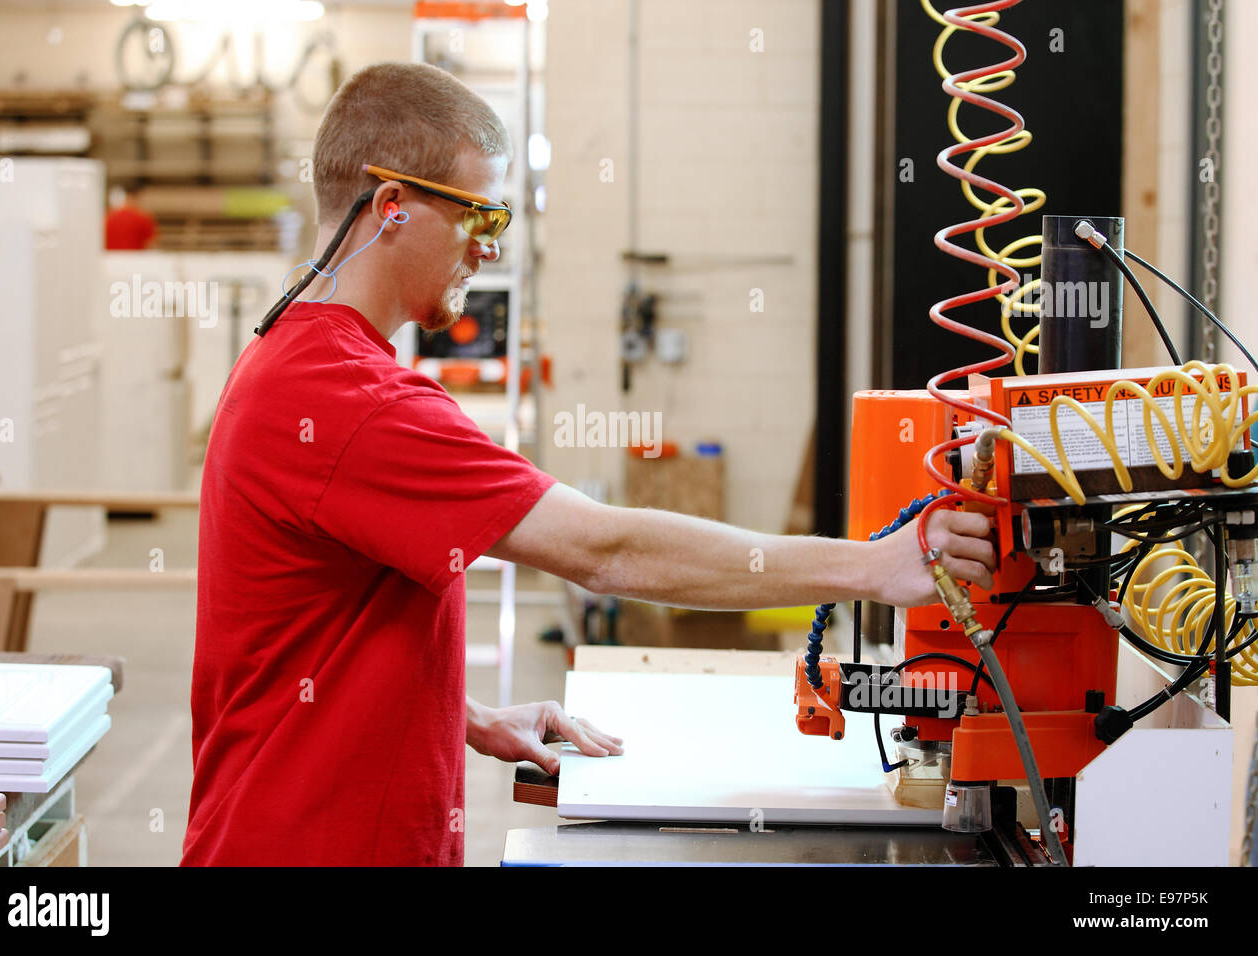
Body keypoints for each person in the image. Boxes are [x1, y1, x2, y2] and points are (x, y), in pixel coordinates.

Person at [181, 62, 996, 867]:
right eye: (480, 219)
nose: (488, 253)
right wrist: (876, 566)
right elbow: (606, 550)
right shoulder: (357, 399)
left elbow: (305, 630)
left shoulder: (285, 352)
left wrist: (456, 714)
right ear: (391, 208)